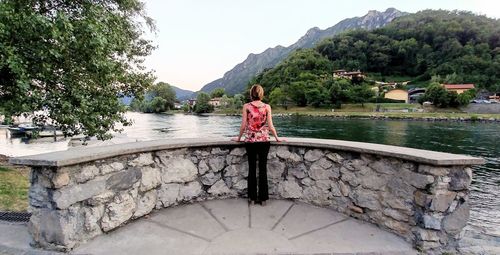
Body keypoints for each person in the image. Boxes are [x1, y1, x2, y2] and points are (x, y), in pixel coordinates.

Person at [232, 84, 283, 206]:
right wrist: (277, 138)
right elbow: (270, 126)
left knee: (252, 168)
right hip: (264, 141)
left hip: (250, 141)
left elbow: (243, 125)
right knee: (263, 169)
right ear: (261, 94)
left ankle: (252, 197)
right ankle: (263, 199)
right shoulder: (267, 107)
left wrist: (238, 138)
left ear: (251, 94)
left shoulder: (246, 106)